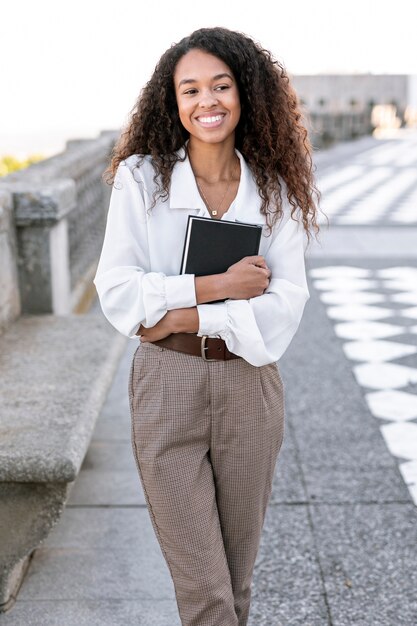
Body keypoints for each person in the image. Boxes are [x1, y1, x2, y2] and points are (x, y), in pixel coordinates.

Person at [94, 26, 319, 626]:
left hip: (250, 387)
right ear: (173, 102)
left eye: (220, 86)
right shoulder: (141, 179)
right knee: (206, 592)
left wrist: (178, 313)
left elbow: (284, 305)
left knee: (236, 585)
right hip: (168, 386)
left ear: (244, 93)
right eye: (189, 89)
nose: (206, 101)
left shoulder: (276, 190)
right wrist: (221, 286)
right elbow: (118, 291)